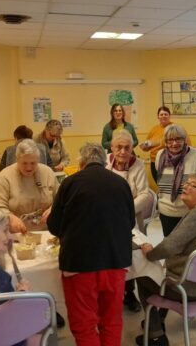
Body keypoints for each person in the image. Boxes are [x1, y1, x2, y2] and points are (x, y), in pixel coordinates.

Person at [47, 142, 135, 346]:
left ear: (81, 163)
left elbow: (54, 225)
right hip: (115, 261)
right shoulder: (120, 183)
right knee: (111, 320)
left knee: (84, 324)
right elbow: (130, 223)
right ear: (105, 162)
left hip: (79, 264)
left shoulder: (70, 183)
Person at [135, 173, 196, 346]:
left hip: (190, 290)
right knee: (159, 273)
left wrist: (150, 253)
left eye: (193, 185)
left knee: (142, 277)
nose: (185, 187)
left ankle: (156, 335)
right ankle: (159, 319)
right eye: (186, 183)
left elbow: (169, 247)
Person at [106, 130, 150, 313]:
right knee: (109, 256)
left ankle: (130, 293)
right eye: (119, 147)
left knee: (131, 257)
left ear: (132, 149)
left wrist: (125, 209)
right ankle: (111, 293)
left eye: (127, 148)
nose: (123, 152)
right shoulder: (105, 162)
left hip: (130, 218)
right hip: (107, 218)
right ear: (112, 147)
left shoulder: (137, 165)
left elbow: (145, 194)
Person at [155, 124, 196, 237]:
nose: (174, 143)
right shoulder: (160, 156)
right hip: (166, 212)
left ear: (184, 140)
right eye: (170, 140)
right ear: (165, 142)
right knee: (171, 245)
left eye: (178, 139)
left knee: (191, 246)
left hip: (191, 214)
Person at [0, 139, 59, 234]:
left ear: (38, 160)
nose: (29, 168)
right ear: (17, 159)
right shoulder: (5, 176)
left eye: (33, 163)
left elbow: (61, 199)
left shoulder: (48, 172)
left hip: (46, 231)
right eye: (24, 163)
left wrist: (53, 208)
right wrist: (10, 217)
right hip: (17, 232)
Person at [140, 106, 192, 179]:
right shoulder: (154, 129)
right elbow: (147, 145)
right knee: (159, 183)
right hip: (154, 162)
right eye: (161, 114)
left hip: (170, 162)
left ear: (169, 116)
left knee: (170, 183)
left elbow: (188, 144)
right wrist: (144, 147)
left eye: (165, 114)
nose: (163, 116)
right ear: (158, 117)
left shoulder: (176, 128)